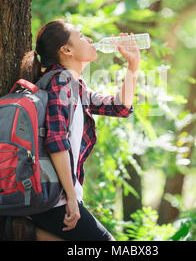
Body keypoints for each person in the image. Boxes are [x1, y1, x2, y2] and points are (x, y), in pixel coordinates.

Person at [18, 19, 140, 241]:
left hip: (53, 195)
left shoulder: (74, 85)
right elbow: (56, 141)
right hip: (54, 197)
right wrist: (72, 198)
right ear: (66, 50)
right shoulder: (60, 83)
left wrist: (133, 66)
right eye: (82, 36)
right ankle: (30, 234)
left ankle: (30, 234)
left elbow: (119, 106)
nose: (90, 40)